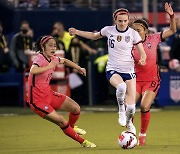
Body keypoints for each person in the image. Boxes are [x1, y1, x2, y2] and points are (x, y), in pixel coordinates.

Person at [69, 8, 147, 135]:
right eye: (120, 21)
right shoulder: (108, 30)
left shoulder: (133, 34)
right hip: (113, 69)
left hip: (129, 70)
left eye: (125, 21)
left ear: (128, 21)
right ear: (115, 20)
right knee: (121, 87)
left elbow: (142, 52)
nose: (122, 23)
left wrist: (143, 58)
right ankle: (121, 109)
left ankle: (129, 123)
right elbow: (94, 36)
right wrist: (77, 32)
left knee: (132, 108)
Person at [27, 35, 96, 148]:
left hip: (48, 94)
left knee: (76, 108)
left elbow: (64, 61)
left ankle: (72, 127)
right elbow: (33, 70)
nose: (53, 48)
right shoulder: (39, 58)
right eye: (50, 45)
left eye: (55, 45)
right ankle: (83, 142)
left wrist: (79, 68)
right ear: (42, 46)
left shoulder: (53, 58)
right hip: (37, 101)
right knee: (62, 121)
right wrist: (49, 66)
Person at [132, 2, 176, 146]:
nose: (135, 33)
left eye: (138, 30)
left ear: (145, 31)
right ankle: (130, 133)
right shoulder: (129, 44)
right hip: (135, 81)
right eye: (133, 30)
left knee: (144, 106)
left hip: (151, 80)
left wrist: (171, 16)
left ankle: (142, 135)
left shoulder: (154, 38)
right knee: (130, 107)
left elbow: (172, 30)